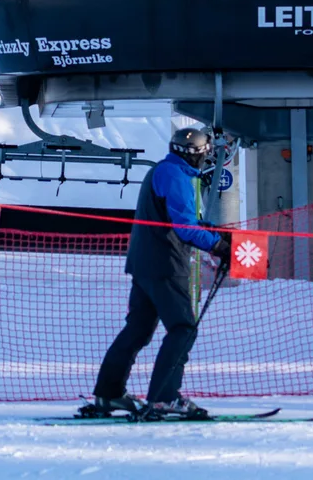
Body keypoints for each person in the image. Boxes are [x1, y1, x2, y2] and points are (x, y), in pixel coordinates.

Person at [84, 127, 231, 421]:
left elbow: (183, 216)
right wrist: (218, 246)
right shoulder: (177, 176)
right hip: (166, 264)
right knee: (183, 328)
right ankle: (164, 397)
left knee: (137, 330)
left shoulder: (163, 171)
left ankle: (108, 392)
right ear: (199, 155)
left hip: (145, 263)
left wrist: (214, 229)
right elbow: (184, 228)